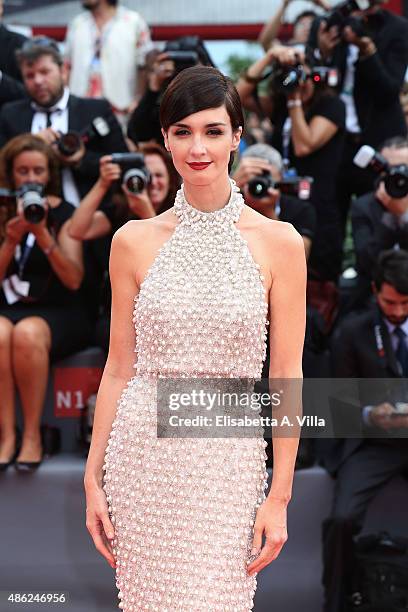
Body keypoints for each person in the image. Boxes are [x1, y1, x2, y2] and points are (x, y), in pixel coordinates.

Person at [84, 65, 306, 610]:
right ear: (164, 140)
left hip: (228, 464)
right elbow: (118, 368)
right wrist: (92, 476)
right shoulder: (131, 242)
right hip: (143, 459)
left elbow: (286, 376)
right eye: (182, 131)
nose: (197, 146)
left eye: (211, 130)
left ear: (236, 136)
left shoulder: (280, 243)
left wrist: (279, 495)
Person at [320, 248, 408, 612]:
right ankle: (337, 602)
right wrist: (372, 413)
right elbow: (338, 402)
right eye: (390, 302)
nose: (399, 311)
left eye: (406, 303)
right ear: (374, 291)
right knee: (341, 519)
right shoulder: (353, 332)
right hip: (373, 444)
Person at [0, 134, 91, 472]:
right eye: (23, 171)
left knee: (27, 333)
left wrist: (41, 235)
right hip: (8, 308)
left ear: (49, 174)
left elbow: (74, 279)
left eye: (38, 171)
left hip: (60, 310)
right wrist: (11, 239)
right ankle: (7, 434)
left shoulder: (64, 213)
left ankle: (33, 436)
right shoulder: (2, 210)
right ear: (11, 174)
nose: (31, 178)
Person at [237, 45, 345, 284]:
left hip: (318, 204)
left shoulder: (332, 105)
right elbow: (236, 96)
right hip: (281, 201)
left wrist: (295, 101)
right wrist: (269, 56)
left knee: (313, 283)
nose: (299, 82)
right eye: (290, 74)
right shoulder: (280, 105)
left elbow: (304, 145)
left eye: (302, 73)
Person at [307, 0, 408, 236]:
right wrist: (323, 52)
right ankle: (327, 271)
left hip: (378, 140)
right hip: (334, 139)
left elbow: (388, 91)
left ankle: (381, 267)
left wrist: (366, 49)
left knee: (380, 211)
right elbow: (311, 83)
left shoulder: (397, 28)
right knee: (328, 215)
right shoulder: (332, 22)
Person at [68, 141, 181, 351]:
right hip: (121, 314)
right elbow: (76, 230)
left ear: (170, 179)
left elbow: (176, 266)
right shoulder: (120, 209)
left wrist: (146, 212)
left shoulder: (181, 213)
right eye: (146, 175)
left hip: (170, 312)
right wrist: (102, 183)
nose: (152, 182)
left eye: (159, 175)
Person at [0, 36, 128, 204]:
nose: (38, 81)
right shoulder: (11, 114)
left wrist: (80, 159)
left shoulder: (95, 110)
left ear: (64, 70)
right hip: (26, 214)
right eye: (30, 76)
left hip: (89, 216)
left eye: (44, 72)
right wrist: (31, 143)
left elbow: (124, 164)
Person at [64, 0, 153, 128]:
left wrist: (138, 101)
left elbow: (144, 66)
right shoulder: (77, 24)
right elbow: (67, 67)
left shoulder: (133, 22)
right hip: (80, 111)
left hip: (121, 112)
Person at [351, 136, 408, 311]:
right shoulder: (364, 206)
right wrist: (391, 218)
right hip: (373, 298)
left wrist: (404, 215)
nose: (398, 176)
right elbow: (367, 262)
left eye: (404, 169)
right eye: (391, 169)